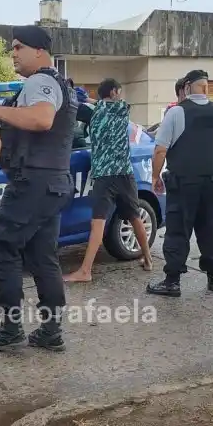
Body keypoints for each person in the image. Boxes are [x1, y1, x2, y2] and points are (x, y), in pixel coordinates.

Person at [0, 25, 76, 352]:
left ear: (39, 51)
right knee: (42, 254)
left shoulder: (40, 82)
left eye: (18, 47)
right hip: (53, 182)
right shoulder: (62, 85)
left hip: (34, 182)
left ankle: (12, 327)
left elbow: (42, 120)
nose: (12, 54)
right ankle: (51, 329)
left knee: (2, 248)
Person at [146, 69, 213, 296]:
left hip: (183, 182)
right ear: (206, 87)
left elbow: (160, 149)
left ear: (186, 87)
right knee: (210, 228)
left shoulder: (176, 113)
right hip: (212, 182)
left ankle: (172, 281)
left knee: (178, 230)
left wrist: (155, 177)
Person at [64, 78, 152, 283]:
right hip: (124, 173)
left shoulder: (91, 113)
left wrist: (81, 98)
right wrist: (90, 98)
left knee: (98, 223)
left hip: (104, 175)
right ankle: (147, 259)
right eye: (118, 91)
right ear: (113, 92)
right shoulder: (123, 109)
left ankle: (85, 271)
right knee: (135, 216)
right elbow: (105, 103)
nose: (120, 95)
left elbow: (79, 109)